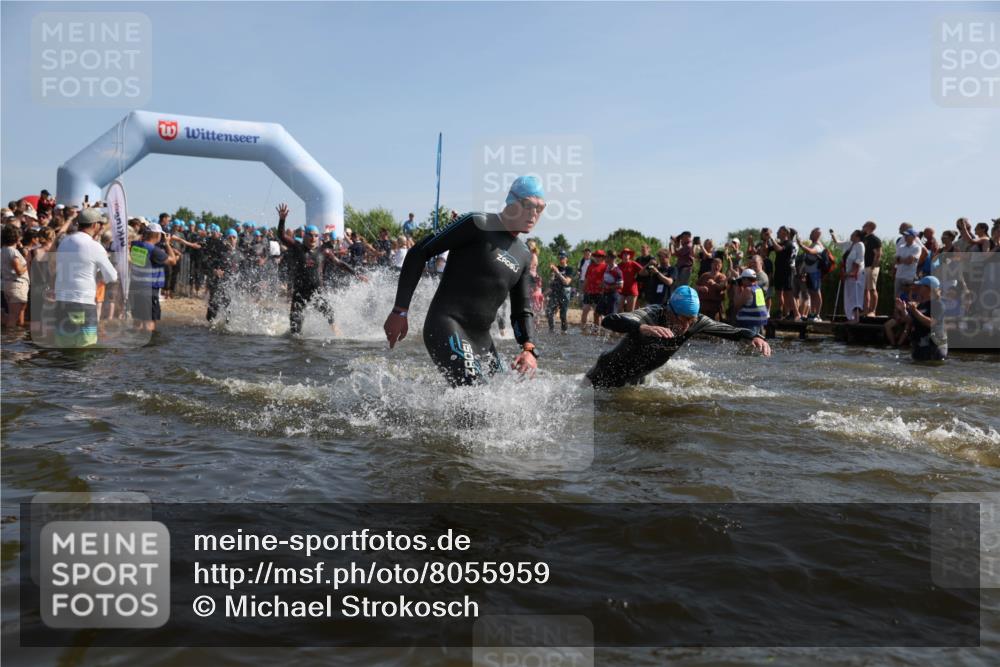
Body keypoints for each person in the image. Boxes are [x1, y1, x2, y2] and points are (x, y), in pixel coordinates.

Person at [383, 175, 543, 386]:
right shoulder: (478, 223)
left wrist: (528, 349)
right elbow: (419, 252)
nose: (534, 213)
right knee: (477, 392)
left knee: (502, 393)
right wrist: (400, 310)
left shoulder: (523, 255)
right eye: (529, 205)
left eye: (540, 208)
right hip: (447, 325)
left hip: (482, 339)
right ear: (512, 202)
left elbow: (522, 310)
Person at [584, 285, 771, 388]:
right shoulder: (652, 315)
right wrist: (642, 328)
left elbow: (730, 331)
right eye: (682, 319)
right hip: (604, 375)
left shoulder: (696, 321)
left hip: (635, 381)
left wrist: (754, 337)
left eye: (691, 320)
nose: (686, 326)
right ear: (669, 310)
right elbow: (609, 320)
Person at [276, 204, 362, 335]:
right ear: (305, 236)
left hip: (317, 292)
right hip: (300, 293)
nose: (313, 238)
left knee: (330, 314)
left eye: (316, 236)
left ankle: (336, 334)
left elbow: (340, 263)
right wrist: (282, 220)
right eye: (310, 235)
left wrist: (356, 274)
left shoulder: (324, 251)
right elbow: (281, 236)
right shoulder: (297, 247)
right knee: (295, 331)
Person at [52, 208, 118, 347]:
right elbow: (112, 276)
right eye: (100, 224)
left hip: (61, 301)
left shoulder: (64, 242)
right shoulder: (94, 246)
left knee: (63, 346)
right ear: (94, 225)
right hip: (83, 302)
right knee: (85, 347)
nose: (102, 227)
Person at [129, 222, 179, 332]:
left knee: (137, 321)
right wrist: (167, 244)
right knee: (149, 322)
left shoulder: (135, 245)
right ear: (157, 235)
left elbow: (133, 241)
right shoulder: (154, 250)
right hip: (149, 290)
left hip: (135, 287)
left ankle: (135, 341)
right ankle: (150, 342)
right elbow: (173, 261)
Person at [902, 275, 947, 361]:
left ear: (929, 289)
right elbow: (910, 321)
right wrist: (903, 310)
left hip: (933, 349)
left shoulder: (938, 304)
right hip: (920, 347)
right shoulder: (921, 304)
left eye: (921, 286)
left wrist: (915, 311)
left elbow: (931, 323)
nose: (918, 288)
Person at [206, 228, 242, 322]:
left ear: (237, 239)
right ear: (226, 239)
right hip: (217, 285)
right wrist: (214, 270)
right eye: (229, 238)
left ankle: (226, 326)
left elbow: (245, 270)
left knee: (229, 312)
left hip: (231, 285)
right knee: (211, 314)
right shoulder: (219, 252)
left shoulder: (240, 254)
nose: (232, 240)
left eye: (234, 237)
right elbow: (207, 264)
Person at [832, 229, 866, 323]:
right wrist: (832, 234)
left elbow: (859, 260)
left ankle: (856, 318)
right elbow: (837, 243)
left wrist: (851, 273)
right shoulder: (849, 244)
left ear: (858, 237)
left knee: (856, 296)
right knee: (849, 296)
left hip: (856, 275)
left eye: (853, 234)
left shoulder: (860, 245)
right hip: (847, 274)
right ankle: (851, 317)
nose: (851, 235)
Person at [1, 224, 29, 329]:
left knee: (13, 316)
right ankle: (11, 338)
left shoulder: (4, 249)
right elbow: (19, 270)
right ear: (16, 238)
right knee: (13, 318)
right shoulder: (12, 251)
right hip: (17, 285)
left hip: (9, 284)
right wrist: (28, 263)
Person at [795, 228, 826, 321]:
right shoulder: (813, 244)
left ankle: (817, 315)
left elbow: (811, 251)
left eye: (812, 232)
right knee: (812, 293)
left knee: (817, 293)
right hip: (809, 273)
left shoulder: (818, 245)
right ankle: (812, 313)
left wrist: (801, 245)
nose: (810, 234)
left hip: (815, 273)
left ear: (817, 235)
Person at [732, 269, 769, 336]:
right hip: (759, 323)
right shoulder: (758, 289)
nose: (742, 282)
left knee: (746, 342)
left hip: (749, 324)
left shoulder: (748, 290)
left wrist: (737, 288)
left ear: (746, 279)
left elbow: (736, 305)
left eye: (742, 279)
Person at [545, 251, 574, 333]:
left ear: (566, 258)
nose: (561, 258)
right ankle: (551, 330)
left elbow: (566, 282)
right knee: (549, 311)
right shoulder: (556, 267)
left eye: (563, 257)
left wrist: (557, 272)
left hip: (565, 292)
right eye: (560, 257)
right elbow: (551, 282)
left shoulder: (569, 269)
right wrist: (552, 274)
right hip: (555, 291)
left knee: (562, 314)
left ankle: (564, 331)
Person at [580, 249, 607, 333]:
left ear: (603, 257)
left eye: (599, 256)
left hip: (599, 292)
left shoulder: (605, 267)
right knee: (585, 310)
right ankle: (583, 329)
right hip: (589, 291)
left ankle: (596, 330)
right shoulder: (590, 266)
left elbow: (606, 279)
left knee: (597, 313)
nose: (597, 258)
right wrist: (583, 288)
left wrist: (603, 290)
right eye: (596, 256)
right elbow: (586, 278)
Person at [861, 221, 882, 316]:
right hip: (865, 267)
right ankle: (866, 310)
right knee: (865, 289)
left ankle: (872, 310)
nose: (862, 227)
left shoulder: (874, 239)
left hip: (871, 267)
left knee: (872, 289)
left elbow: (878, 254)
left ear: (869, 227)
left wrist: (873, 266)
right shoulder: (864, 238)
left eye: (864, 225)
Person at [894, 229, 922, 299]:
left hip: (909, 276)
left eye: (907, 235)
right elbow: (896, 260)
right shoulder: (901, 247)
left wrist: (901, 260)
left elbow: (910, 261)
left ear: (913, 237)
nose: (905, 237)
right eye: (904, 235)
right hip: (899, 275)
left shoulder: (917, 248)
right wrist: (905, 260)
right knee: (896, 297)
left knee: (908, 297)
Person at [618, 248, 644, 312]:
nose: (626, 255)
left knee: (629, 312)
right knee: (618, 310)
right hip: (621, 290)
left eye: (628, 254)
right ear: (622, 255)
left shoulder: (633, 263)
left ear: (630, 256)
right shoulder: (619, 265)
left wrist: (638, 276)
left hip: (632, 290)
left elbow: (644, 271)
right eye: (624, 254)